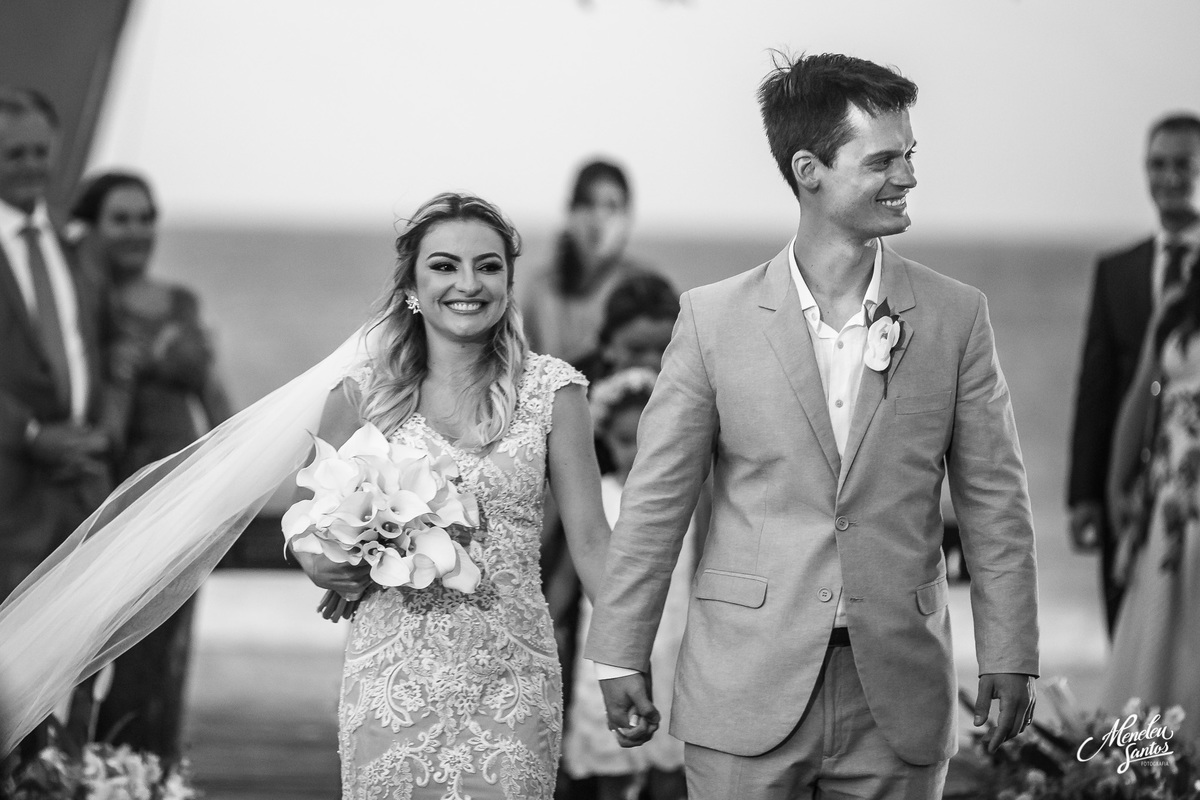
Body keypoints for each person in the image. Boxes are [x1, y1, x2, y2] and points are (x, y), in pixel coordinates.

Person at [584, 52, 1039, 800]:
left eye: (912, 156)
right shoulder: (711, 320)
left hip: (898, 691)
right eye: (885, 160)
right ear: (810, 169)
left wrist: (1011, 648)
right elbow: (657, 501)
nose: (909, 177)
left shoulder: (958, 318)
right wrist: (619, 653)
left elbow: (995, 502)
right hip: (742, 688)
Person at [289, 192, 612, 798]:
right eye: (444, 265)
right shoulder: (361, 396)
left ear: (509, 281)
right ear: (411, 283)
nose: (468, 283)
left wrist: (621, 659)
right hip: (392, 681)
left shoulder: (553, 392)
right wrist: (329, 564)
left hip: (514, 677)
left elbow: (593, 541)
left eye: (488, 266)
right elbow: (308, 526)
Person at [68, 170, 233, 762]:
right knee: (95, 648)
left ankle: (148, 768)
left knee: (162, 646)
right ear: (90, 226)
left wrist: (238, 474)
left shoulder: (180, 301)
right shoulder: (82, 302)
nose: (138, 230)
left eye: (146, 216)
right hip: (110, 492)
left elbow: (215, 397)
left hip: (184, 495)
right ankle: (90, 769)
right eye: (121, 218)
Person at [0, 87, 111, 757]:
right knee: (11, 669)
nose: (31, 166)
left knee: (72, 670)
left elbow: (85, 346)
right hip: (10, 493)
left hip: (79, 491)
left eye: (40, 150)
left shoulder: (73, 249)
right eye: (13, 154)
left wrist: (96, 427)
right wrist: (34, 436)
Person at [1068, 113, 1200, 637]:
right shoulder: (1116, 269)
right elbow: (1096, 387)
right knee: (1128, 629)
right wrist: (1085, 494)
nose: (1168, 177)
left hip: (1190, 489)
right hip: (1125, 492)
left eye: (1183, 165)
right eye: (1157, 164)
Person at [564, 366, 690, 800]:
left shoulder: (691, 498)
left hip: (676, 644)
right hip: (603, 649)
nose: (636, 452)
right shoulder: (594, 495)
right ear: (602, 438)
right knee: (613, 769)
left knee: (673, 773)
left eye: (646, 439)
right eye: (622, 440)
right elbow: (571, 578)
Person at [1104, 227, 1200, 742]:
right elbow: (1142, 396)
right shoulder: (1176, 307)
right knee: (1160, 629)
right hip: (1169, 502)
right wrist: (1120, 485)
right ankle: (1154, 761)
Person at [522, 159, 651, 364]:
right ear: (570, 211)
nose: (598, 217)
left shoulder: (644, 288)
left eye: (611, 206)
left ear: (628, 218)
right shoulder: (541, 288)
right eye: (587, 204)